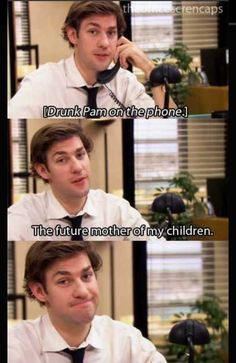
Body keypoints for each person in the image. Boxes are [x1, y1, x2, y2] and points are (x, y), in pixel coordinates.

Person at [8, 0, 176, 119]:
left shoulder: (125, 82)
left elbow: (169, 121)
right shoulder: (41, 83)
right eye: (93, 31)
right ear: (73, 35)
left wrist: (149, 68)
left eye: (111, 33)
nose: (104, 43)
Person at [8, 241, 167, 363]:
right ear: (39, 291)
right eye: (64, 281)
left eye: (86, 276)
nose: (83, 292)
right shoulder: (15, 348)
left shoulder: (128, 342)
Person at [8, 122, 163, 241]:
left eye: (80, 155)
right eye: (62, 160)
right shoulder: (23, 216)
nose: (77, 167)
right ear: (43, 170)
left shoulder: (116, 210)